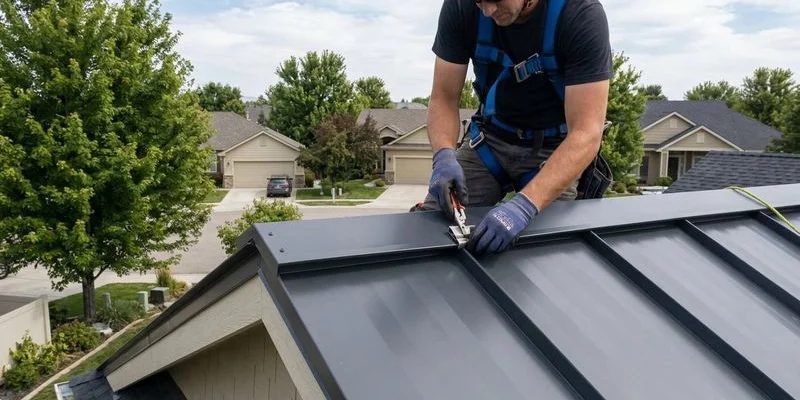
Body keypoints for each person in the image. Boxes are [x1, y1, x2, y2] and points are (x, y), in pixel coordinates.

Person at [416, 0, 613, 255]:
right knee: (431, 229)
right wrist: (443, 155)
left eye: (495, 0)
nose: (487, 11)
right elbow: (444, 97)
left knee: (550, 254)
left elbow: (586, 133)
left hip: (556, 150)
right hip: (489, 142)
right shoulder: (462, 6)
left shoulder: (579, 15)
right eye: (479, 2)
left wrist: (524, 207)